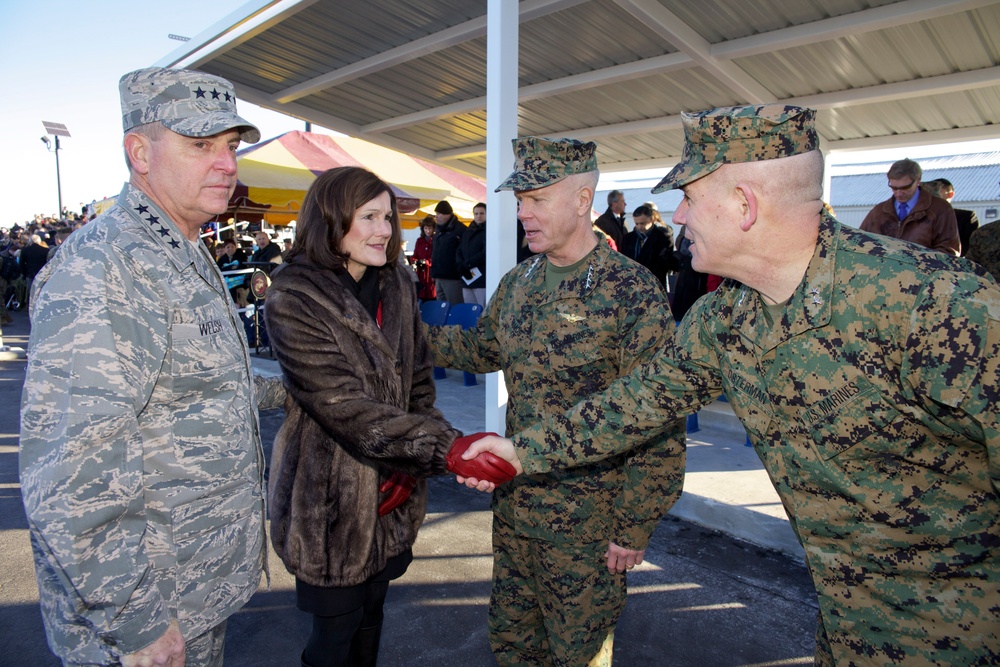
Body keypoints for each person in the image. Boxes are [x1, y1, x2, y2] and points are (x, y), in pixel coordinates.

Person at [458, 105, 1000, 666]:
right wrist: (520, 452)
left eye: (690, 195)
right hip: (847, 632)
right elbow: (634, 406)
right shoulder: (723, 319)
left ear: (745, 204)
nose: (678, 213)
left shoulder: (937, 307)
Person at [19, 66, 286, 667]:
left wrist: (294, 392)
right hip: (142, 619)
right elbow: (72, 469)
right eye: (200, 145)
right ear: (139, 152)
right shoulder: (104, 270)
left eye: (231, 146)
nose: (227, 164)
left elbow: (202, 385)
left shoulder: (183, 250)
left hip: (194, 592)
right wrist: (134, 620)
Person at [427, 136, 685, 666]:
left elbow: (659, 419)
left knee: (579, 654)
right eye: (519, 200)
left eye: (536, 199)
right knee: (514, 645)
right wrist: (403, 333)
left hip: (588, 527)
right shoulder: (521, 281)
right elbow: (484, 347)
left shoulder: (630, 291)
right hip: (517, 508)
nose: (522, 213)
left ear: (581, 199)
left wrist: (633, 527)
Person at [263, 166, 463, 667]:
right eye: (369, 217)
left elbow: (417, 380)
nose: (385, 230)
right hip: (328, 495)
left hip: (395, 485)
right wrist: (446, 448)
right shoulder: (293, 294)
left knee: (373, 613)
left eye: (389, 217)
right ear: (331, 221)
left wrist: (410, 461)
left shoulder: (395, 280)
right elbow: (342, 406)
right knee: (335, 634)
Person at [859, 158, 960, 255]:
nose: (899, 193)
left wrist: (914, 263)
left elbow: (949, 250)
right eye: (894, 188)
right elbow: (859, 243)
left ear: (918, 180)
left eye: (905, 187)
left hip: (923, 272)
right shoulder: (878, 212)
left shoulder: (941, 209)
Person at [621, 203, 676, 287]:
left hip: (654, 284)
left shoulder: (663, 237)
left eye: (642, 223)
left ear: (651, 220)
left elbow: (666, 263)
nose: (639, 227)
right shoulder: (628, 239)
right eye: (636, 224)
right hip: (633, 283)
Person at [930, 177, 980, 256]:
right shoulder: (919, 217)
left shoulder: (965, 217)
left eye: (937, 195)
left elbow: (970, 246)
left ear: (950, 194)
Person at [429, 200, 466, 304]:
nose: (436, 217)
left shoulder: (460, 230)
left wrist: (459, 268)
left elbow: (464, 252)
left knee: (454, 307)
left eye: (439, 214)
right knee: (442, 308)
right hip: (438, 276)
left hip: (453, 277)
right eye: (436, 214)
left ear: (448, 214)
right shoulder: (438, 230)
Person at [456, 201, 487, 306]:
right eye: (476, 213)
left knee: (481, 309)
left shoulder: (489, 230)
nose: (478, 216)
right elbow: (459, 249)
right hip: (467, 278)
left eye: (482, 213)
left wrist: (468, 264)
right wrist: (461, 265)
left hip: (481, 278)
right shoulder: (468, 231)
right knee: (469, 309)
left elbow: (484, 253)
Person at [411, 215, 436, 301]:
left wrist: (426, 262)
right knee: (420, 298)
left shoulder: (436, 240)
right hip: (420, 275)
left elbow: (436, 258)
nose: (428, 231)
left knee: (431, 297)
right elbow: (415, 255)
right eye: (426, 228)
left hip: (431, 274)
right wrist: (415, 261)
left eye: (430, 228)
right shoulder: (419, 241)